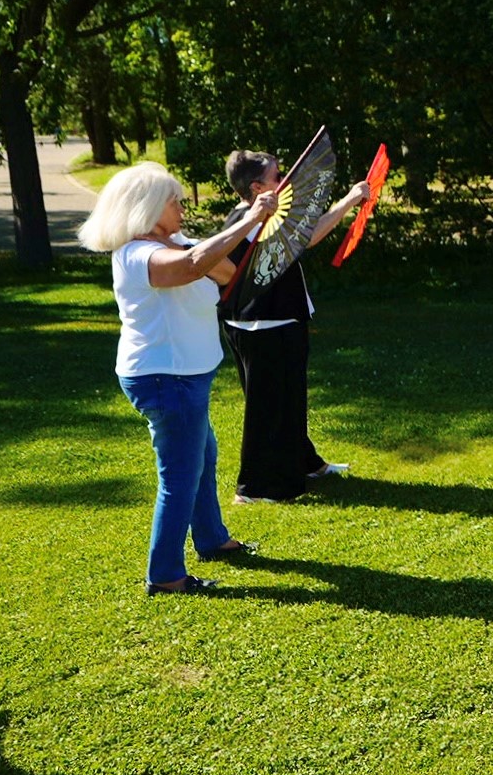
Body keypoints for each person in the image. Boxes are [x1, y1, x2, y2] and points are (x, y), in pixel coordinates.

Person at [83, 161, 278, 595]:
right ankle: (166, 575)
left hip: (185, 375)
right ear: (149, 207)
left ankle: (212, 538)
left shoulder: (180, 244)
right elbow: (191, 266)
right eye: (174, 200)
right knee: (180, 477)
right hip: (164, 379)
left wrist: (220, 243)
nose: (182, 207)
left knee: (203, 455)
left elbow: (229, 274)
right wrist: (248, 219)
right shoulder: (137, 255)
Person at [218, 148, 373, 505]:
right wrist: (349, 200)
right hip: (263, 325)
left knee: (287, 400)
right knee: (267, 408)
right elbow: (308, 236)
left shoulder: (258, 218)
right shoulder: (250, 221)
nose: (284, 181)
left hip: (274, 321)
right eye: (277, 177)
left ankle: (306, 462)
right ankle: (255, 488)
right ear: (257, 188)